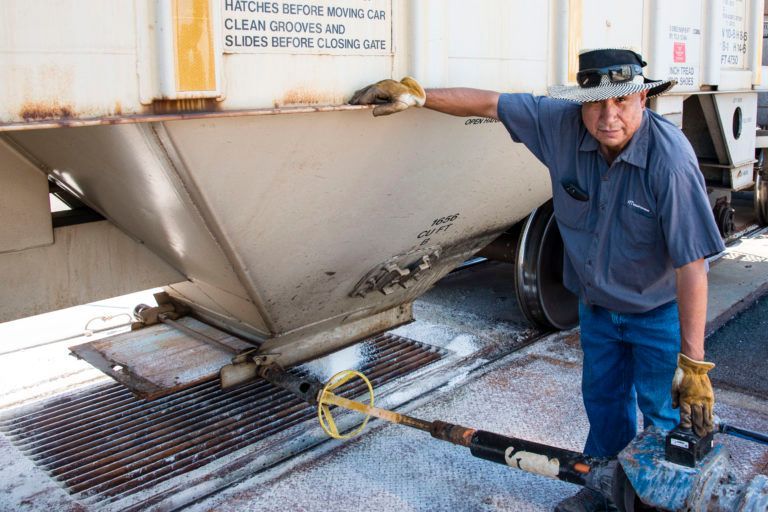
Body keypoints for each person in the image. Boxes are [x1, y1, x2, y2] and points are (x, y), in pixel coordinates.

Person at [349, 48, 725, 511]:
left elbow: (692, 266)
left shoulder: (670, 161)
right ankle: (603, 490)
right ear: (580, 103)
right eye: (596, 103)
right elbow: (491, 103)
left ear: (642, 99)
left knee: (663, 414)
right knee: (604, 404)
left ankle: (658, 501)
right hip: (598, 309)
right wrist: (420, 96)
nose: (608, 117)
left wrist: (693, 363)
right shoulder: (559, 125)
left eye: (621, 101)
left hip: (656, 312)